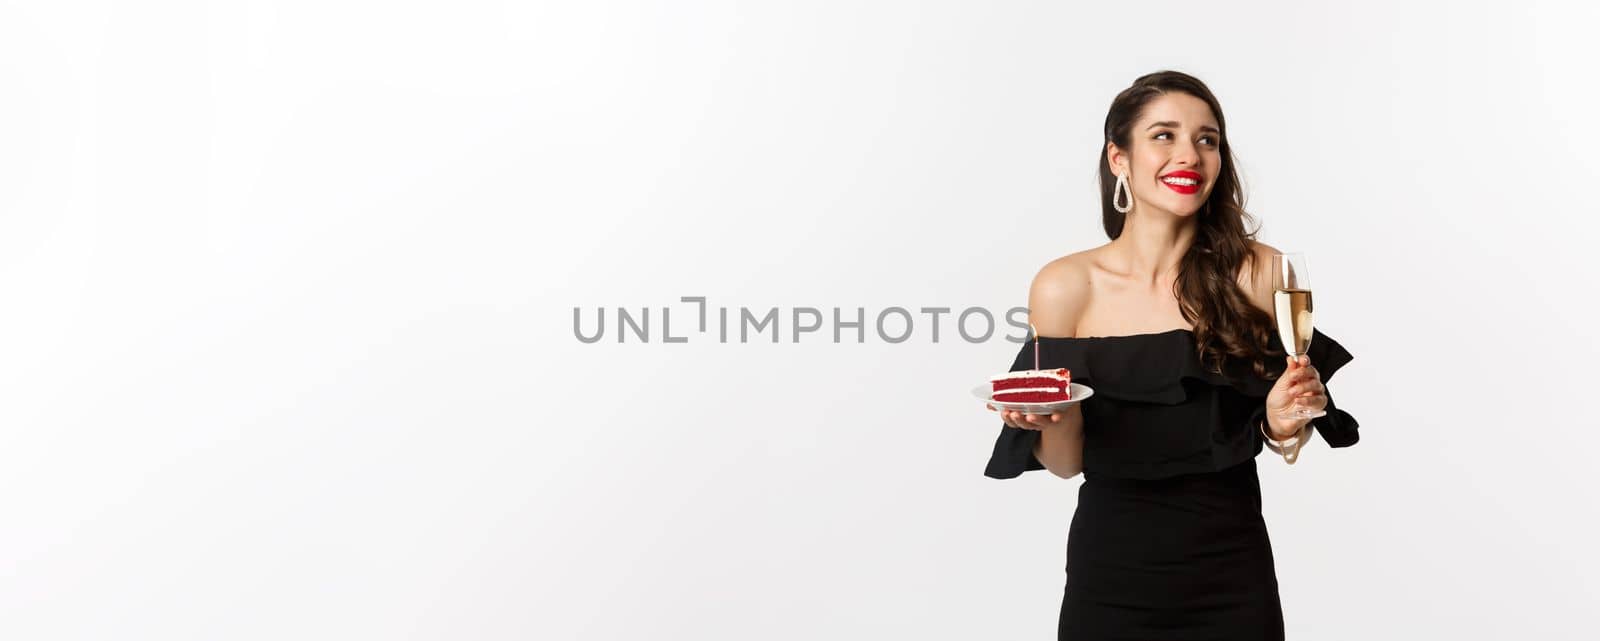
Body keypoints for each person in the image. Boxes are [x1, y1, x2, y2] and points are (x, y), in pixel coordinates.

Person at [983, 70, 1361, 640]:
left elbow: (1286, 426)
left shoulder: (1260, 273)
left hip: (1232, 574)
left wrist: (1285, 422)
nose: (1189, 153)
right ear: (1119, 159)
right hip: (1109, 578)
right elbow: (1064, 463)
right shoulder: (1064, 286)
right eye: (1163, 135)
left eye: (1207, 139)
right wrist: (1050, 417)